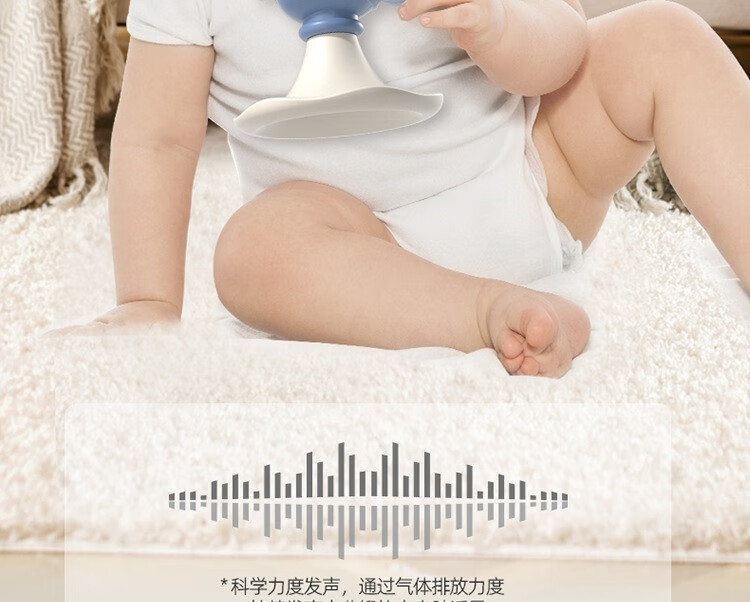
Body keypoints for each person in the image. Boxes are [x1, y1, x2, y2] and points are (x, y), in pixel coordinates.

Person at [58, 0, 750, 377]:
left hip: (531, 176)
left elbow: (564, 43)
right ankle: (485, 312)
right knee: (252, 251)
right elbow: (158, 140)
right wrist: (147, 299)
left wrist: (499, 24)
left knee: (664, 38)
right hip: (356, 248)